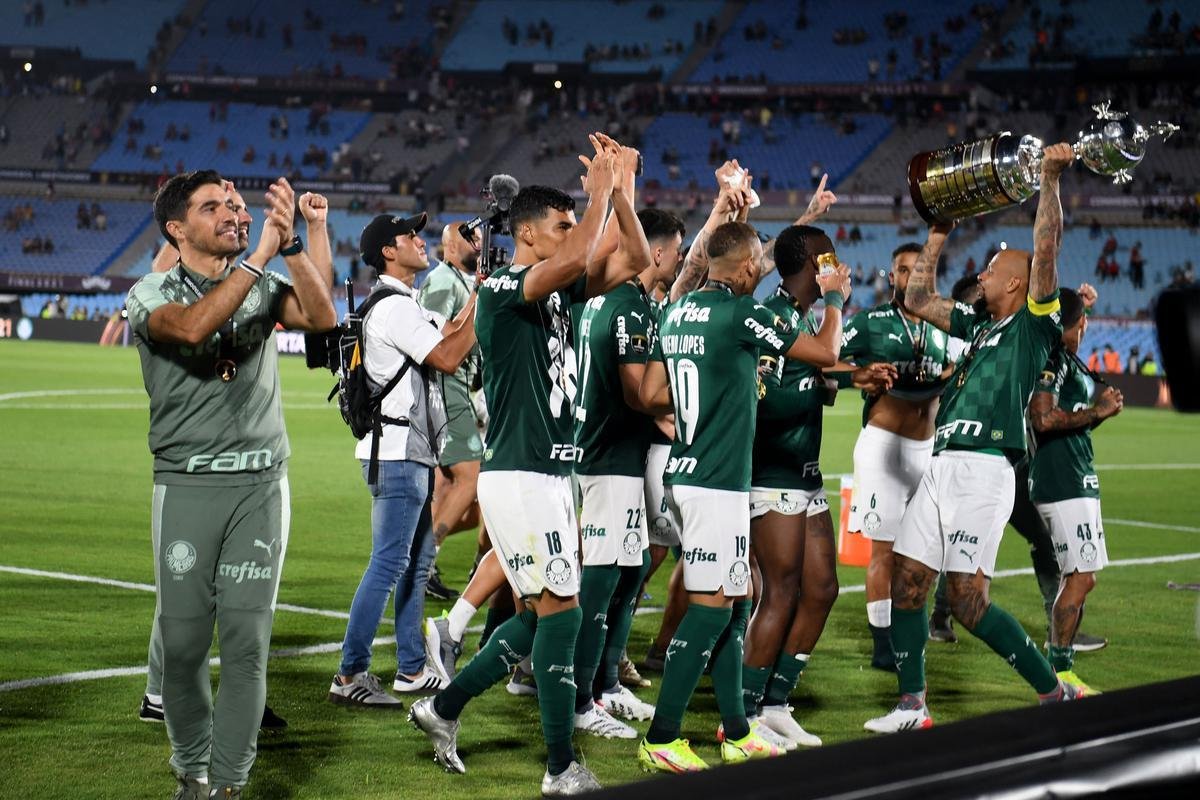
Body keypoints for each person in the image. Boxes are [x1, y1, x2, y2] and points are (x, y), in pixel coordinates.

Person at [409, 138, 633, 796]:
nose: (574, 235)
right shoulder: (508, 287)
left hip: (552, 477)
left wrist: (618, 194)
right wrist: (596, 197)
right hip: (522, 476)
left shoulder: (560, 292)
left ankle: (442, 709)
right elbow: (580, 256)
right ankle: (562, 766)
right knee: (561, 614)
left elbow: (638, 260)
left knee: (541, 616)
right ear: (530, 233)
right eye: (562, 225)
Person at [126, 170, 335, 799]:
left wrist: (296, 242)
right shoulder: (149, 292)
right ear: (176, 227)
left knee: (246, 645)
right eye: (212, 206)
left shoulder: (266, 285)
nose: (233, 214)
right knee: (185, 648)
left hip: (259, 488)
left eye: (237, 205)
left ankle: (226, 785)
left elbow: (323, 319)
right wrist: (263, 255)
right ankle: (191, 767)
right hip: (185, 486)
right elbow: (191, 328)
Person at [864, 143, 1084, 735]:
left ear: (1016, 285)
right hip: (940, 465)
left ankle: (1051, 691)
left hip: (985, 469)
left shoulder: (1033, 325)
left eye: (991, 271)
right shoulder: (979, 325)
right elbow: (916, 299)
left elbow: (1045, 246)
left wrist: (1048, 179)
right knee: (909, 584)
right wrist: (939, 231)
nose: (980, 276)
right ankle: (913, 707)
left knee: (967, 599)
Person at [636, 220, 851, 772]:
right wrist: (833, 300)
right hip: (716, 480)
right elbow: (826, 353)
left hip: (691, 471)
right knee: (710, 613)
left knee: (734, 609)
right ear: (741, 263)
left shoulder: (677, 310)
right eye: (756, 259)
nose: (760, 267)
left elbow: (653, 392)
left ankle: (738, 730)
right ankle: (661, 737)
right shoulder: (743, 313)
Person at [743, 225, 895, 750]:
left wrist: (854, 378)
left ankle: (776, 703)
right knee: (779, 593)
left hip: (803, 475)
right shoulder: (768, 315)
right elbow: (769, 401)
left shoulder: (797, 318)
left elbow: (815, 369)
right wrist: (835, 301)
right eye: (828, 255)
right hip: (771, 473)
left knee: (823, 588)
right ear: (811, 261)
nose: (838, 263)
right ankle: (743, 715)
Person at [326, 211, 479, 707]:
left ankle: (411, 668)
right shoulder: (393, 309)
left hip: (408, 450)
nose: (420, 240)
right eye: (409, 235)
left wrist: (480, 292)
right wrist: (486, 301)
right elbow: (449, 357)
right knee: (390, 563)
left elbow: (453, 330)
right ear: (388, 252)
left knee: (414, 562)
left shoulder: (403, 304)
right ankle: (350, 673)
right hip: (397, 455)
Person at [570, 165, 660, 739]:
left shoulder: (600, 298)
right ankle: (580, 701)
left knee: (626, 575)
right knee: (600, 585)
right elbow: (636, 392)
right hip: (608, 460)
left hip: (612, 457)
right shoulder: (624, 302)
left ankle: (603, 687)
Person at [835, 242, 950, 672]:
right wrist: (859, 376)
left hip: (928, 450)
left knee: (922, 553)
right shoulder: (870, 323)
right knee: (883, 551)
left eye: (917, 270)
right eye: (902, 270)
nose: (910, 277)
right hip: (884, 447)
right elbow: (825, 362)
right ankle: (884, 645)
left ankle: (911, 633)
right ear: (891, 277)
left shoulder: (942, 328)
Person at [1029, 285, 1123, 696]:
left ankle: (1060, 665)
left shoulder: (1064, 357)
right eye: (1080, 320)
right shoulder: (1052, 357)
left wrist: (1099, 413)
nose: (1085, 326)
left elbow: (1067, 419)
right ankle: (1060, 672)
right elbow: (1043, 419)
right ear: (1067, 323)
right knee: (1080, 578)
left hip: (1075, 475)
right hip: (1063, 479)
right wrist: (1096, 410)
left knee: (1082, 576)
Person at [418, 222, 486, 603]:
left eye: (476, 237)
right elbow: (435, 337)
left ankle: (421, 561)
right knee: (471, 478)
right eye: (466, 237)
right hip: (447, 385)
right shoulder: (445, 282)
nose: (475, 241)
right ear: (447, 247)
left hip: (459, 387)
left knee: (445, 483)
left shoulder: (458, 280)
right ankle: (425, 556)